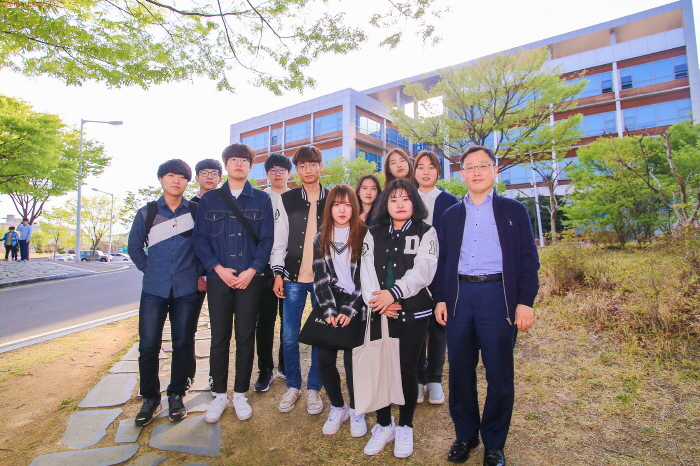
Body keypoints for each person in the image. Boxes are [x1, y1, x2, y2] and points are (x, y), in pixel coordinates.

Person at [433, 145, 539, 466]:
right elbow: (442, 260)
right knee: (460, 370)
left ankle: (494, 442)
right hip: (460, 298)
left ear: (494, 170)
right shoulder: (451, 215)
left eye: (483, 166)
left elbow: (528, 258)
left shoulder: (513, 210)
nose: (476, 172)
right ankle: (465, 436)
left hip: (498, 296)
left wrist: (525, 302)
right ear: (462, 174)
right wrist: (441, 297)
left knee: (499, 372)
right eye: (470, 167)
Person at [193, 143, 274, 423]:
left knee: (245, 336)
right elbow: (200, 240)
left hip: (250, 279)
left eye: (244, 161)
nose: (239, 164)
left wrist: (252, 271)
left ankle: (240, 393)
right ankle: (219, 395)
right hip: (219, 279)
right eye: (233, 160)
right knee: (219, 338)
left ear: (251, 166)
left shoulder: (262, 199)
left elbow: (267, 240)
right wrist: (217, 269)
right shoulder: (210, 200)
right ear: (226, 165)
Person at [359, 179, 439, 459]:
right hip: (380, 311)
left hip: (414, 312)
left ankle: (405, 425)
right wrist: (377, 301)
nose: (400, 204)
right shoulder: (373, 233)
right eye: (394, 199)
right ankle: (384, 424)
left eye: (406, 199)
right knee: (381, 367)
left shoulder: (426, 232)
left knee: (407, 369)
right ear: (385, 204)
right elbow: (366, 271)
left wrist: (394, 293)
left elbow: (424, 270)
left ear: (414, 202)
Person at [127, 159, 201, 426]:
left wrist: (198, 273)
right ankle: (150, 398)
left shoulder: (195, 211)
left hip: (186, 290)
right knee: (148, 346)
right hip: (153, 290)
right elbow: (134, 248)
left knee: (182, 344)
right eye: (170, 175)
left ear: (187, 182)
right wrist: (151, 270)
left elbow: (205, 246)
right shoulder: (147, 212)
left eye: (181, 177)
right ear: (161, 179)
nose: (176, 181)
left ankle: (176, 395)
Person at [270, 145, 327, 415]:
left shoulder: (333, 198)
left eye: (312, 164)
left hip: (323, 279)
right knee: (290, 336)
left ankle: (314, 387)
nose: (308, 170)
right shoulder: (288, 199)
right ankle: (293, 385)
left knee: (320, 335)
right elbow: (279, 238)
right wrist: (277, 273)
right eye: (302, 166)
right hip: (292, 276)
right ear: (297, 170)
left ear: (320, 166)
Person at [312, 185, 368, 437]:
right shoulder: (321, 235)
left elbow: (367, 279)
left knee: (352, 362)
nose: (342, 209)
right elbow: (320, 277)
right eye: (336, 204)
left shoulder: (365, 235)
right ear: (329, 208)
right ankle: (338, 406)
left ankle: (357, 409)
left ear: (354, 207)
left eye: (347, 204)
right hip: (329, 302)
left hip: (357, 303)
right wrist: (329, 310)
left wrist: (349, 309)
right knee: (324, 360)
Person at [413, 150, 459, 405]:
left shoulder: (450, 201)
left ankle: (435, 379)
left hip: (442, 272)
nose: (426, 171)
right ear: (414, 171)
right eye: (421, 167)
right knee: (417, 327)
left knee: (439, 326)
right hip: (412, 274)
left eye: (431, 167)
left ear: (438, 172)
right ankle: (418, 378)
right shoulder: (407, 198)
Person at [254, 153, 291, 392]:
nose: (277, 174)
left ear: (289, 173)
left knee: (288, 321)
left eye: (282, 170)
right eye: (273, 170)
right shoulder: (259, 198)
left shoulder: (296, 197)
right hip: (264, 268)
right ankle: (265, 369)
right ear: (267, 174)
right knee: (265, 321)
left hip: (290, 268)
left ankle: (285, 365)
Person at [189, 158, 222, 388]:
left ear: (220, 178)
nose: (209, 177)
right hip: (194, 277)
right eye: (204, 173)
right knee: (188, 328)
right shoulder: (187, 206)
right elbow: (188, 243)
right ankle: (187, 375)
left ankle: (215, 376)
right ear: (197, 177)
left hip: (221, 275)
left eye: (214, 173)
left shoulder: (226, 203)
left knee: (219, 330)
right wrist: (197, 274)